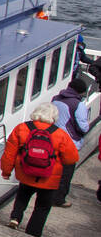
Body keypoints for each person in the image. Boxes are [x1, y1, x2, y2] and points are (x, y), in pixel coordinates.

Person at [0, 104, 79, 237]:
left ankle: (15, 218)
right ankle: (33, 232)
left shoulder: (22, 128)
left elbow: (9, 154)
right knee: (42, 206)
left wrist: (6, 172)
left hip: (26, 172)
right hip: (49, 178)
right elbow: (71, 158)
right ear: (53, 117)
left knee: (22, 196)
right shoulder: (60, 134)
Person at [50, 75, 90, 208]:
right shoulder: (78, 105)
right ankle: (59, 199)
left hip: (53, 140)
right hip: (69, 143)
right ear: (81, 92)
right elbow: (83, 127)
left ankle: (47, 194)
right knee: (66, 174)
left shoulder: (55, 99)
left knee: (51, 169)